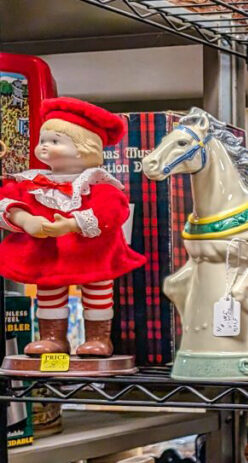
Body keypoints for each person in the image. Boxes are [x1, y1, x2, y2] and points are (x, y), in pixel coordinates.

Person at [0, 97, 146, 357]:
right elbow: (8, 202)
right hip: (49, 255)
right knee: (49, 292)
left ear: (83, 148)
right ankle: (52, 338)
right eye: (43, 140)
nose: (44, 146)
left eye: (54, 141)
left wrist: (71, 224)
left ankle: (99, 339)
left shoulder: (99, 184)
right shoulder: (32, 182)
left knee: (98, 292)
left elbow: (113, 211)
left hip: (93, 254)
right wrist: (25, 220)